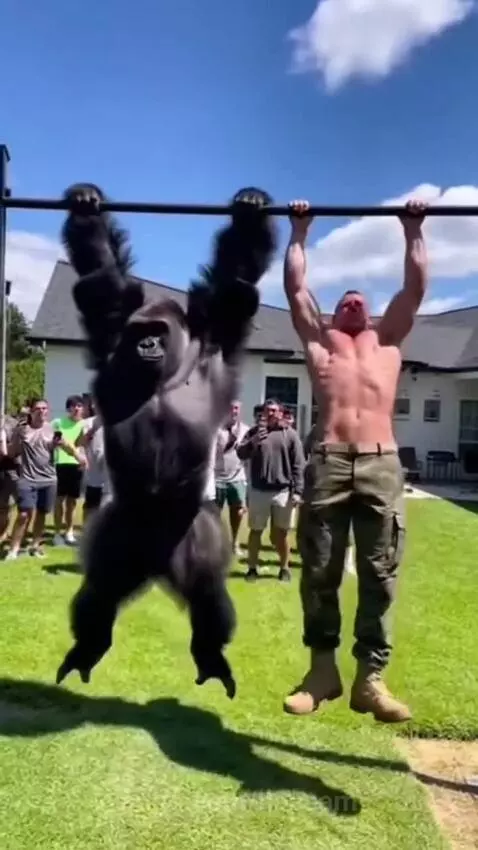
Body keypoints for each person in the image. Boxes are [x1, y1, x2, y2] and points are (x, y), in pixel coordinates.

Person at [282, 197, 428, 722]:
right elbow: (296, 290)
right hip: (327, 460)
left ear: (371, 312)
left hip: (380, 463)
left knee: (380, 572)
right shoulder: (320, 345)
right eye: (342, 300)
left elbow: (414, 289)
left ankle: (370, 678)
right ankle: (322, 672)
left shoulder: (388, 342)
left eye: (357, 300)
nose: (350, 303)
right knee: (319, 570)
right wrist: (300, 233)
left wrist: (412, 230)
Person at [237, 398, 305, 582]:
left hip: (282, 491)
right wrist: (253, 441)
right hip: (259, 490)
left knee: (282, 533)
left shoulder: (289, 435)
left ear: (281, 413)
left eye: (274, 410)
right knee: (256, 531)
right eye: (268, 410)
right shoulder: (254, 432)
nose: (271, 413)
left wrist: (298, 491)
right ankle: (252, 569)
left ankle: (284, 569)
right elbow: (240, 453)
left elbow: (298, 465)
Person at [5, 398, 82, 559]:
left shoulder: (53, 429)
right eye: (38, 409)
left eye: (45, 408)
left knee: (41, 513)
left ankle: (35, 546)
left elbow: (67, 446)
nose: (42, 411)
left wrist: (79, 457)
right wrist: (16, 439)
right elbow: (12, 453)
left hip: (48, 480)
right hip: (27, 478)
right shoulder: (23, 430)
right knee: (24, 514)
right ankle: (13, 549)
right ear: (31, 412)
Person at [215, 400, 249, 555]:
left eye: (236, 408)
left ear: (239, 410)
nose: (233, 411)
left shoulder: (246, 431)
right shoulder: (216, 429)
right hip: (216, 478)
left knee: (238, 512)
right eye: (230, 408)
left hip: (237, 477)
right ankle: (214, 544)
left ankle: (235, 543)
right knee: (214, 513)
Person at [52, 395, 86, 545]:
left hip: (76, 465)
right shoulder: (58, 423)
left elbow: (84, 445)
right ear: (68, 408)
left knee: (72, 502)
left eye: (79, 406)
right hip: (59, 464)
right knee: (59, 500)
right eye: (73, 406)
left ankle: (69, 531)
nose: (77, 409)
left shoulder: (85, 425)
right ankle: (57, 533)